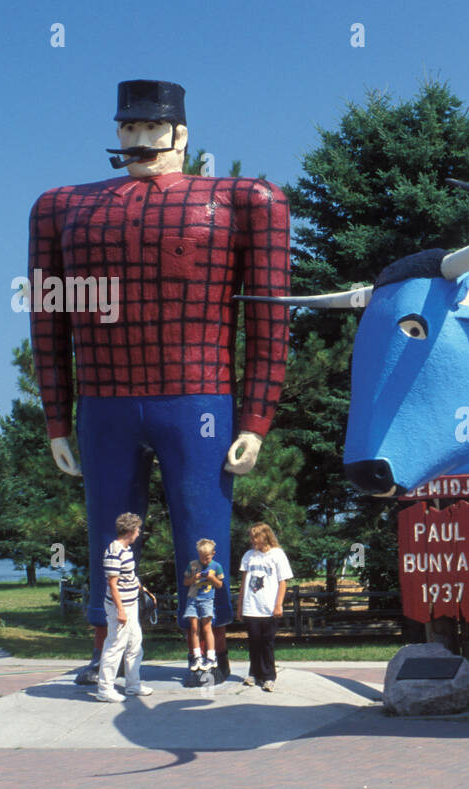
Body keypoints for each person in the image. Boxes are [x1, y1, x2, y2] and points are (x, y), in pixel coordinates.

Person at [28, 79, 290, 688]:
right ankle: (105, 653)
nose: (141, 141)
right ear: (117, 133)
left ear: (181, 134)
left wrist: (255, 419)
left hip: (198, 395)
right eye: (129, 130)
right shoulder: (61, 207)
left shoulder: (244, 201)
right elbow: (48, 318)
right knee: (107, 536)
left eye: (152, 130)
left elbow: (270, 317)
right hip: (105, 396)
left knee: (202, 530)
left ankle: (212, 654)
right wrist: (57, 419)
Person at [97, 512, 154, 702]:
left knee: (135, 643)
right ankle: (105, 689)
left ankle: (133, 685)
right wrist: (120, 611)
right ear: (130, 531)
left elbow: (128, 576)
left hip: (131, 605)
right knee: (115, 645)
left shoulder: (126, 549)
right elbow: (113, 584)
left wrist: (143, 589)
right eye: (137, 529)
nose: (139, 533)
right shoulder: (114, 551)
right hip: (119, 607)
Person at [236, 522, 292, 692]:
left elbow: (283, 582)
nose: (252, 540)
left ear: (264, 536)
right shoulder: (248, 556)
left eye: (255, 537)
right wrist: (239, 606)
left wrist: (278, 605)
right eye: (251, 537)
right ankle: (254, 673)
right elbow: (244, 582)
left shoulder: (277, 555)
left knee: (267, 642)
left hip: (269, 608)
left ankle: (269, 676)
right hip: (251, 607)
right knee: (253, 642)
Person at [183, 538, 224, 672]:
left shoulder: (216, 566)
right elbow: (186, 582)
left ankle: (211, 657)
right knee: (194, 628)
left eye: (206, 558)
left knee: (207, 627)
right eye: (201, 557)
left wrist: (212, 578)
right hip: (193, 599)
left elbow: (219, 585)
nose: (204, 560)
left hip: (207, 600)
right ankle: (197, 657)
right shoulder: (193, 565)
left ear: (213, 554)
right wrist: (194, 577)